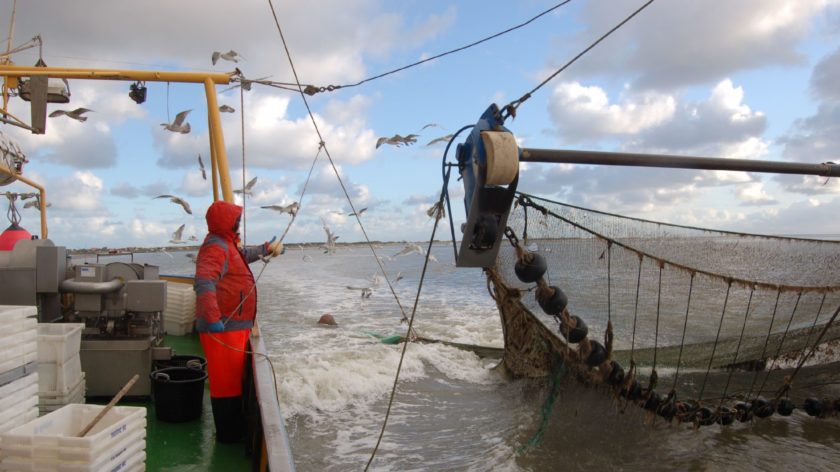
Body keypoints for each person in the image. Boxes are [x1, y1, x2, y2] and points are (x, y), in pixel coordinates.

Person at [194, 200, 283, 443]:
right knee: (226, 385)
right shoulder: (216, 247)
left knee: (234, 381)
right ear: (226, 222)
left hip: (236, 326)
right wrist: (212, 319)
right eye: (236, 221)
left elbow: (242, 255)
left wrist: (266, 248)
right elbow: (204, 282)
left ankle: (233, 429)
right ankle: (228, 435)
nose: (239, 225)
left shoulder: (227, 244)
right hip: (223, 329)